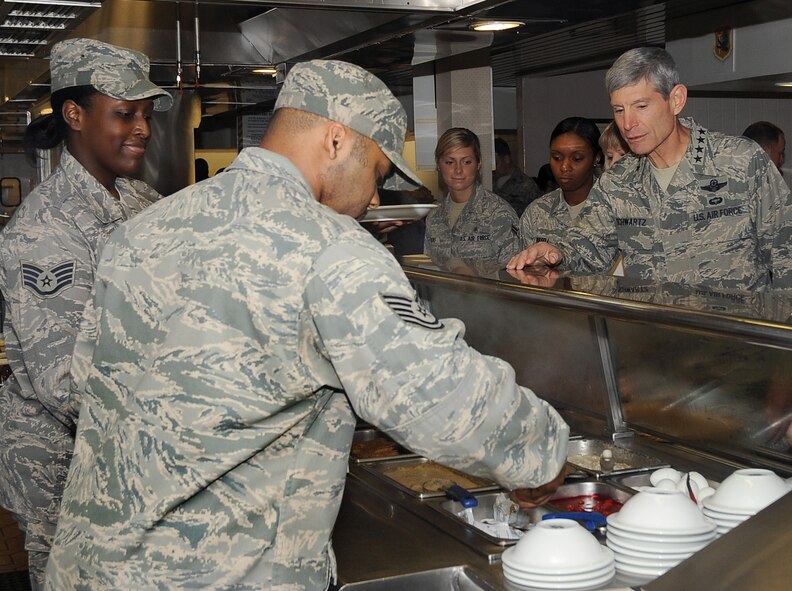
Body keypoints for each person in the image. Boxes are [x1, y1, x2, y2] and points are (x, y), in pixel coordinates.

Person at [45, 60, 568, 591]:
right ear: (337, 140)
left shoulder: (143, 229)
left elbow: (86, 381)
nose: (373, 200)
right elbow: (438, 396)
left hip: (89, 564)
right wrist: (543, 449)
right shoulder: (330, 248)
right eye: (378, 174)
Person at [0, 38, 172, 590]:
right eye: (125, 113)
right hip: (64, 469)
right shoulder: (44, 229)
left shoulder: (141, 201)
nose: (141, 128)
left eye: (145, 114)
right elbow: (66, 385)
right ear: (74, 114)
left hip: (129, 454)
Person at [508, 47, 792, 290]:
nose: (628, 123)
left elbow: (785, 254)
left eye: (641, 106)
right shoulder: (618, 182)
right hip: (653, 342)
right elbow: (587, 251)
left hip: (735, 344)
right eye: (619, 110)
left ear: (676, 100)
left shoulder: (739, 161)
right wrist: (555, 253)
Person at [424, 128, 520, 267]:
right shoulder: (434, 217)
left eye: (466, 162)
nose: (458, 170)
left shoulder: (498, 213)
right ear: (439, 164)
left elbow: (514, 274)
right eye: (450, 162)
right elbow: (431, 269)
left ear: (478, 164)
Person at [520, 117, 602, 248]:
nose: (564, 167)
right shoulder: (537, 212)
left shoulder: (613, 207)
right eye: (557, 158)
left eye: (577, 158)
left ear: (596, 157)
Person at [493, 137, 542, 216]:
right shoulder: (491, 182)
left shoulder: (527, 185)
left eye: (496, 163)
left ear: (506, 159)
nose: (493, 169)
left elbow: (538, 215)